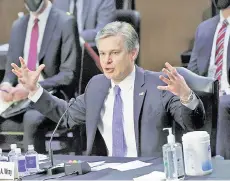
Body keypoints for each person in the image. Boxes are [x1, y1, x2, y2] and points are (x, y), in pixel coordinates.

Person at [11, 21, 205, 157]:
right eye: (102, 53)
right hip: (106, 170)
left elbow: (193, 126)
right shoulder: (97, 85)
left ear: (133, 53)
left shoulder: (159, 84)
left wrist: (186, 95)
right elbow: (66, 116)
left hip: (149, 172)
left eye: (114, 53)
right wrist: (35, 90)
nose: (106, 61)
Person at [0, 0, 81, 152]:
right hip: (18, 97)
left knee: (32, 119)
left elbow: (68, 75)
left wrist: (32, 88)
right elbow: (10, 71)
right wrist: (5, 86)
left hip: (50, 94)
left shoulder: (65, 22)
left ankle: (32, 170)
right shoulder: (18, 25)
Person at [187, 0, 230, 159]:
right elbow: (193, 71)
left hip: (226, 96)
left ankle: (222, 167)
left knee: (222, 103)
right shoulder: (204, 28)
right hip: (208, 93)